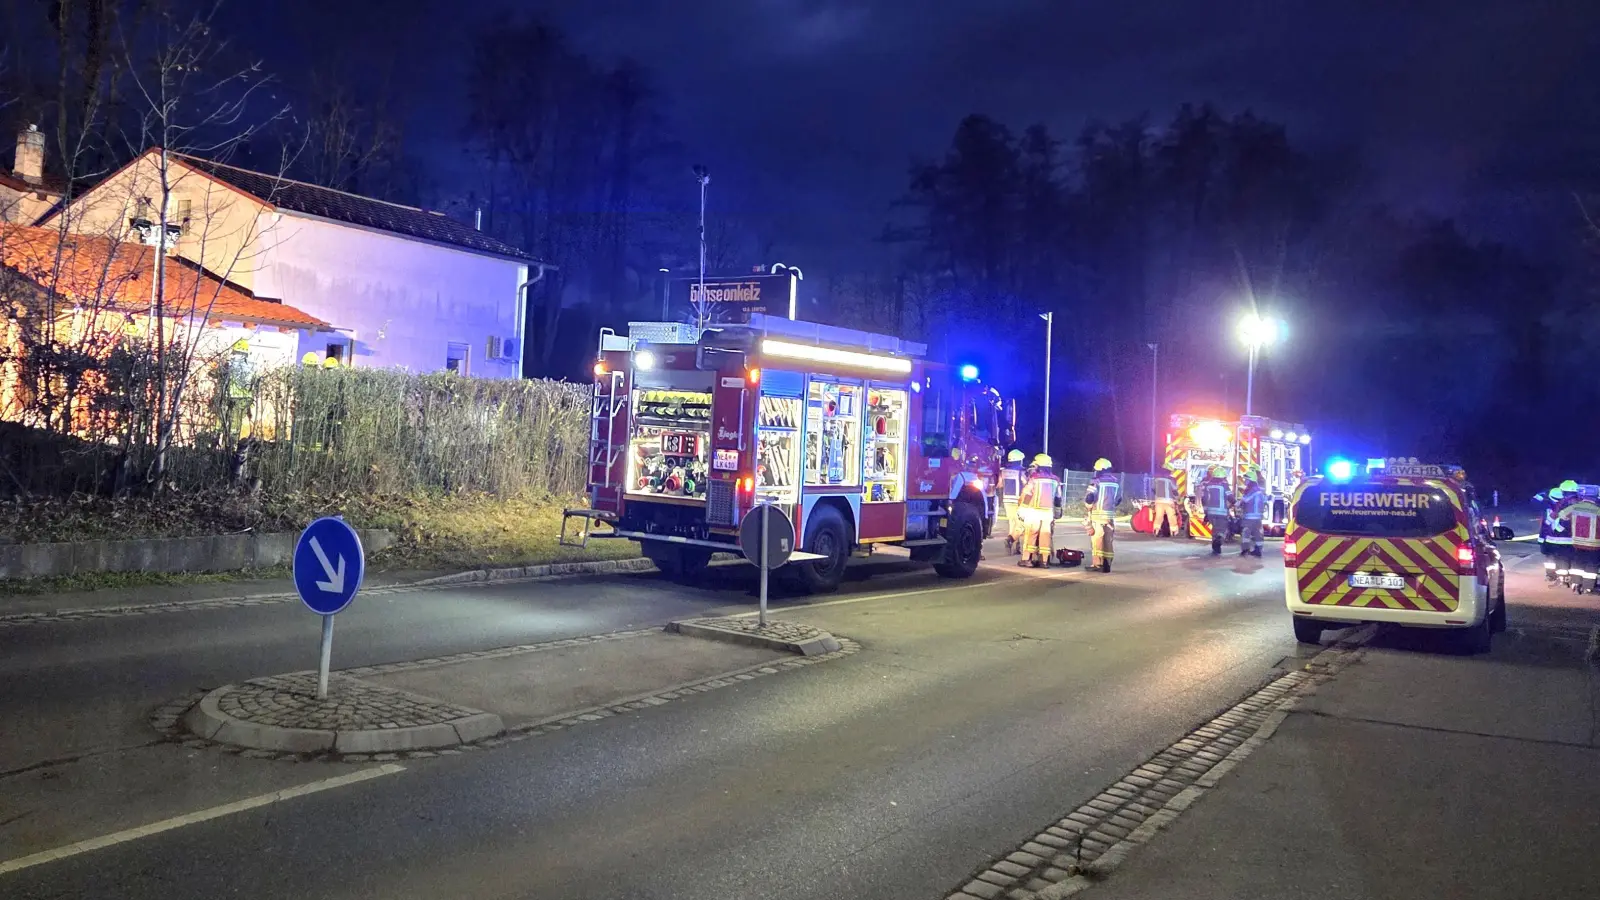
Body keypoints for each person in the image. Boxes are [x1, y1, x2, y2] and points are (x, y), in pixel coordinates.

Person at [1015, 453, 1063, 568]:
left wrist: (1021, 510)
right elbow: (1058, 499)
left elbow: (1026, 495)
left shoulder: (1034, 479)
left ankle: (1027, 560)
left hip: (1034, 512)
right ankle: (1044, 561)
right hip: (1047, 514)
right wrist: (1057, 512)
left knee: (1031, 535)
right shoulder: (1056, 480)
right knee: (1045, 536)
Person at [1084, 458, 1120, 572]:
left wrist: (1088, 507)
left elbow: (1089, 498)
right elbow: (1118, 499)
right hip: (1110, 516)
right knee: (1108, 540)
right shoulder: (1115, 482)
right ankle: (1107, 563)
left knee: (1097, 539)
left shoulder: (1096, 481)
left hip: (1097, 516)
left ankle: (1097, 564)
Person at [1559, 495, 1600, 593]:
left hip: (1577, 542)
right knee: (1591, 565)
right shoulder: (1598, 510)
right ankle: (1588, 587)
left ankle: (1576, 584)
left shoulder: (1574, 507)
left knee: (1578, 564)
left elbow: (1562, 515)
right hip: (1594, 544)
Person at [1199, 465, 1233, 556]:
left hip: (1210, 512)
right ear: (1223, 477)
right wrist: (1234, 504)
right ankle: (1218, 541)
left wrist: (1206, 513)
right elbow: (1230, 497)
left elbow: (1204, 499)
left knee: (1214, 530)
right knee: (1222, 530)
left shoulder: (1207, 485)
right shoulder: (1224, 486)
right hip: (1222, 512)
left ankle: (1216, 549)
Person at [1003, 449, 1029, 554]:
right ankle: (1013, 543)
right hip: (1018, 500)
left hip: (1007, 500)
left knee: (1012, 523)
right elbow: (1026, 483)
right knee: (1021, 524)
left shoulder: (1004, 471)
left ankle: (1013, 548)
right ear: (1019, 461)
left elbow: (1000, 484)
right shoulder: (1021, 471)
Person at [1238, 473, 1266, 557]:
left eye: (1246, 479)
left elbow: (1245, 500)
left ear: (1251, 480)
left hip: (1250, 517)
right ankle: (1258, 550)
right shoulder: (1258, 490)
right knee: (1257, 534)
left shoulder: (1252, 490)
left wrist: (1237, 503)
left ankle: (1245, 549)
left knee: (1245, 533)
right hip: (1258, 517)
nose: (1245, 481)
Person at [1151, 468, 1180, 538]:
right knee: (1171, 517)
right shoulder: (1170, 480)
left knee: (1158, 517)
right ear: (1168, 473)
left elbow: (1153, 489)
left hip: (1158, 501)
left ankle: (1156, 530)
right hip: (1168, 502)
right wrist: (1177, 497)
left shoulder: (1156, 480)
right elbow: (1175, 489)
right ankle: (1173, 532)